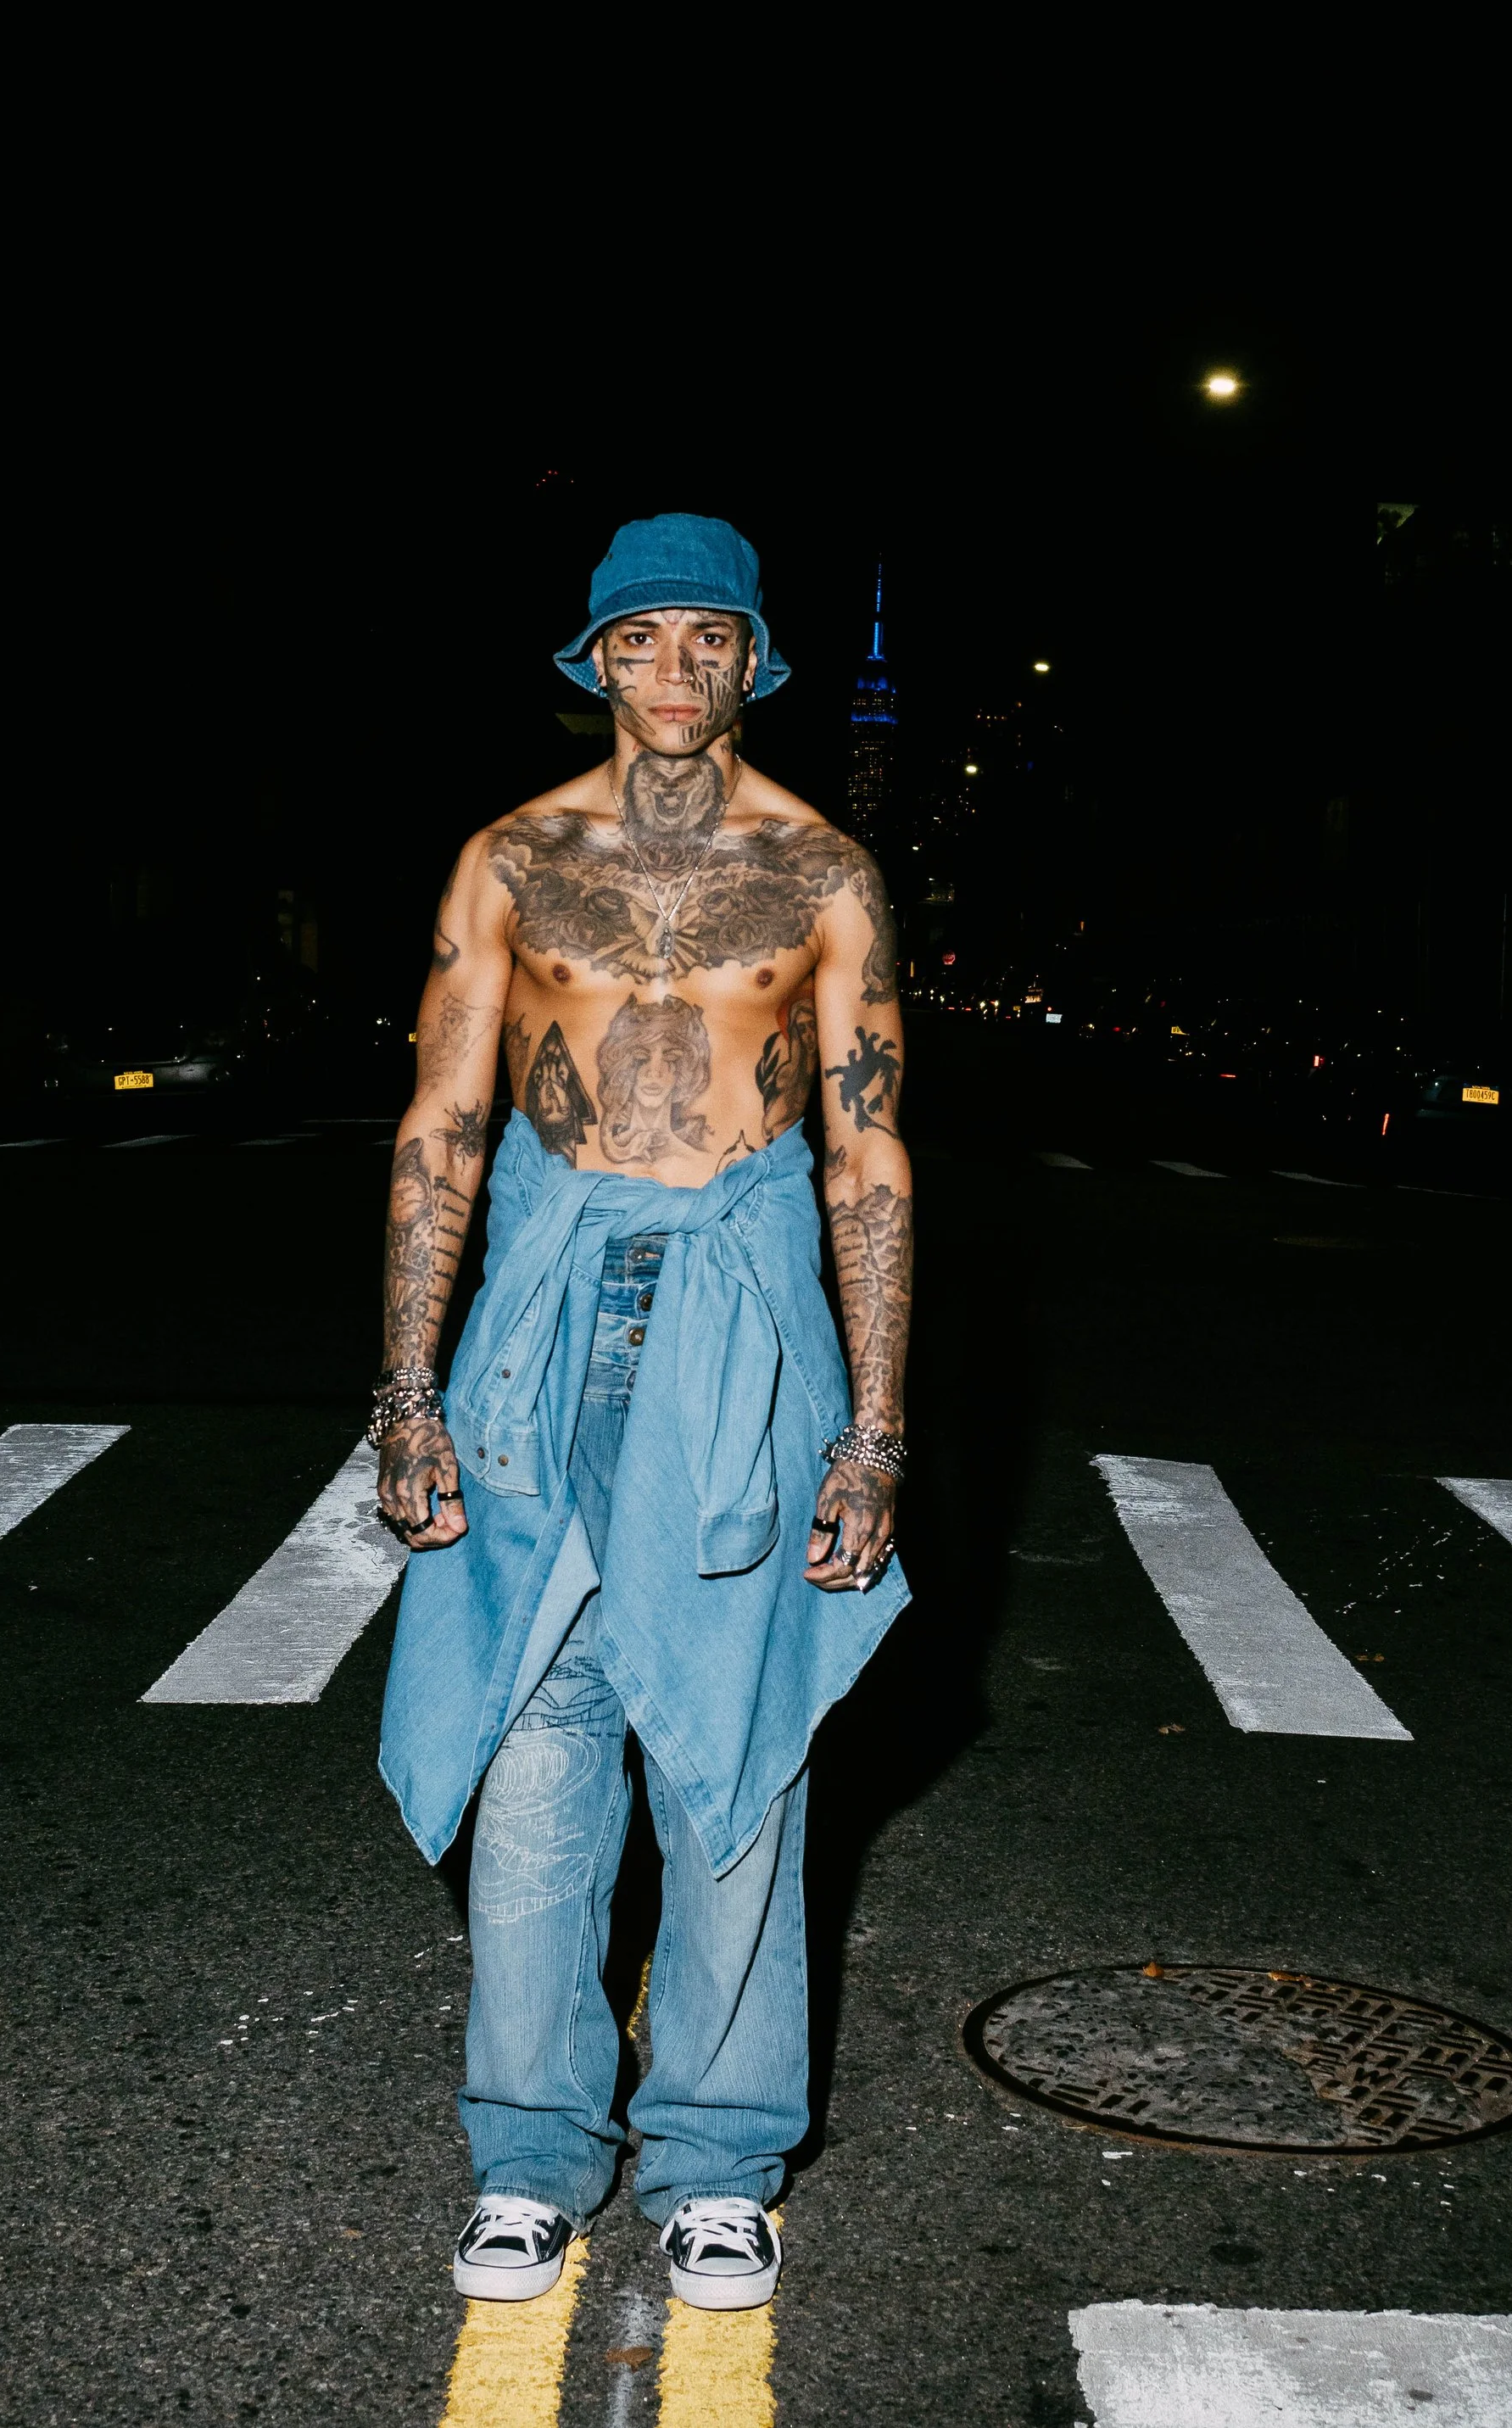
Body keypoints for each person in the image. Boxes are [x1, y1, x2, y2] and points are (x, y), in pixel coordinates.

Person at [368, 513, 912, 2313]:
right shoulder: (512, 861)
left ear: (756, 659)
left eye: (708, 638)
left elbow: (867, 1153)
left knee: (735, 1751)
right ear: (593, 659)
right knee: (536, 1744)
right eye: (639, 639)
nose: (674, 671)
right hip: (541, 1327)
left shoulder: (822, 872)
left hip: (741, 1335)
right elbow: (442, 1126)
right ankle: (529, 2156)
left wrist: (874, 1430)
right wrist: (407, 1395)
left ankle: (717, 2162)